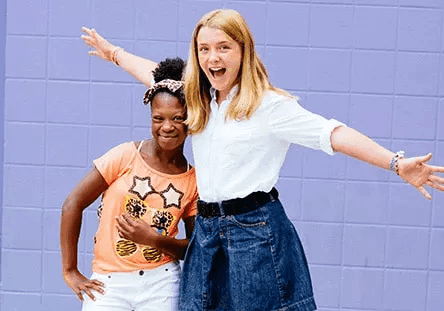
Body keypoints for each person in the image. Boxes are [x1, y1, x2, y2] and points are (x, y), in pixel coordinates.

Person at [81, 8, 444, 311]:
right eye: (204, 49)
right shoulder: (200, 97)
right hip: (207, 234)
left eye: (223, 47)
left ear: (243, 50)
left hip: (255, 230)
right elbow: (154, 74)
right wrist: (113, 52)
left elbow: (332, 133)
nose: (213, 57)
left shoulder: (269, 106)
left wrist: (396, 164)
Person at [60, 57, 198, 311]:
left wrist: (153, 240)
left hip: (162, 282)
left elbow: (194, 248)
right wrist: (70, 270)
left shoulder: (193, 180)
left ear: (190, 121)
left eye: (177, 118)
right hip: (108, 282)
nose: (167, 127)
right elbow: (73, 204)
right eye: (159, 118)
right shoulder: (125, 156)